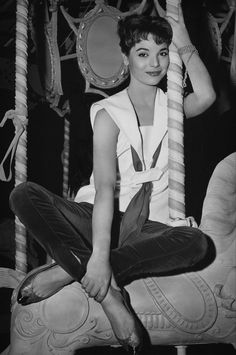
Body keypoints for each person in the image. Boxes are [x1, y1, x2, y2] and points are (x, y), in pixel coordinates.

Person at [9, 7, 216, 353]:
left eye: (162, 53)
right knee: (23, 195)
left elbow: (208, 96)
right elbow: (105, 190)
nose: (154, 63)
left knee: (196, 243)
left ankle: (66, 271)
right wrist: (100, 257)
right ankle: (110, 296)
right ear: (126, 57)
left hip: (151, 222)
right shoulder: (108, 114)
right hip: (101, 217)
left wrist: (185, 44)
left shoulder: (172, 106)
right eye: (143, 53)